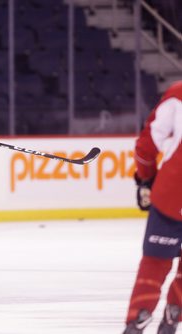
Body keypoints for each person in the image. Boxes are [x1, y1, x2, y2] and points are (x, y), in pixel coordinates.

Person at [122, 81, 182, 334]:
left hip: (174, 189)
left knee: (156, 260)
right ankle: (175, 312)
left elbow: (147, 144)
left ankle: (139, 318)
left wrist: (145, 177)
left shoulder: (179, 91)